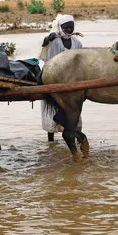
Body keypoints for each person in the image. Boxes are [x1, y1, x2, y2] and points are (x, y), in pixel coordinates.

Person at [39, 14, 83, 142]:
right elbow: (43, 45)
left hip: (70, 79)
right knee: (51, 108)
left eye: (71, 27)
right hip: (52, 77)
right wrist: (49, 38)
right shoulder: (53, 41)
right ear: (59, 27)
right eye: (66, 27)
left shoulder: (76, 42)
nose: (69, 30)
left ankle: (75, 135)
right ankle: (51, 140)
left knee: (73, 107)